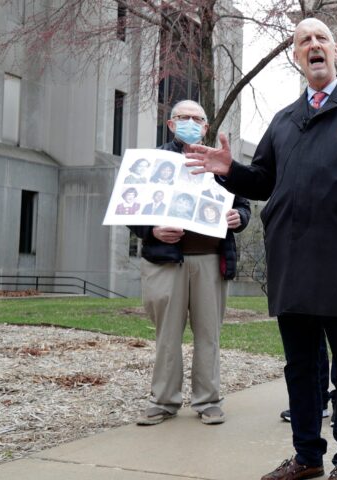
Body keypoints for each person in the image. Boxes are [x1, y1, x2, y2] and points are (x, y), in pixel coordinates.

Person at [184, 18, 337, 480]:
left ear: (335, 50)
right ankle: (307, 457)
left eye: (321, 37)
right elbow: (262, 179)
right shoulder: (283, 120)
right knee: (301, 365)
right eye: (304, 41)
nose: (314, 45)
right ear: (296, 57)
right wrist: (229, 170)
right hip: (291, 257)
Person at [129, 99, 251, 429]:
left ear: (206, 127)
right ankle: (163, 402)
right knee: (167, 336)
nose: (191, 123)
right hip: (165, 262)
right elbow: (131, 210)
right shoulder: (152, 162)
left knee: (209, 335)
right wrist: (151, 231)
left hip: (211, 261)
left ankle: (208, 401)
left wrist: (239, 217)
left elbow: (244, 206)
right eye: (183, 118)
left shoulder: (220, 162)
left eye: (197, 119)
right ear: (170, 124)